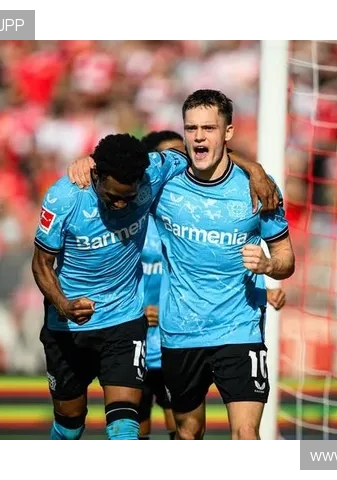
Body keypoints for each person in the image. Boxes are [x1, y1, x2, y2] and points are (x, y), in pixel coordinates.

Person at [66, 89, 295, 440]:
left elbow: (286, 259)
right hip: (180, 333)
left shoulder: (256, 188)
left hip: (239, 328)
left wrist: (267, 265)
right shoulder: (163, 180)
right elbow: (123, 164)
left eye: (209, 128)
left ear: (228, 132)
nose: (199, 136)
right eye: (191, 128)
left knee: (247, 434)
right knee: (187, 432)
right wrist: (88, 162)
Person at [137, 130, 184, 440]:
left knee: (183, 427)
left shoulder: (192, 214)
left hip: (175, 341)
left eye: (184, 157)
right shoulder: (130, 216)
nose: (180, 165)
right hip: (134, 340)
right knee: (133, 424)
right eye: (171, 158)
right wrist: (137, 309)